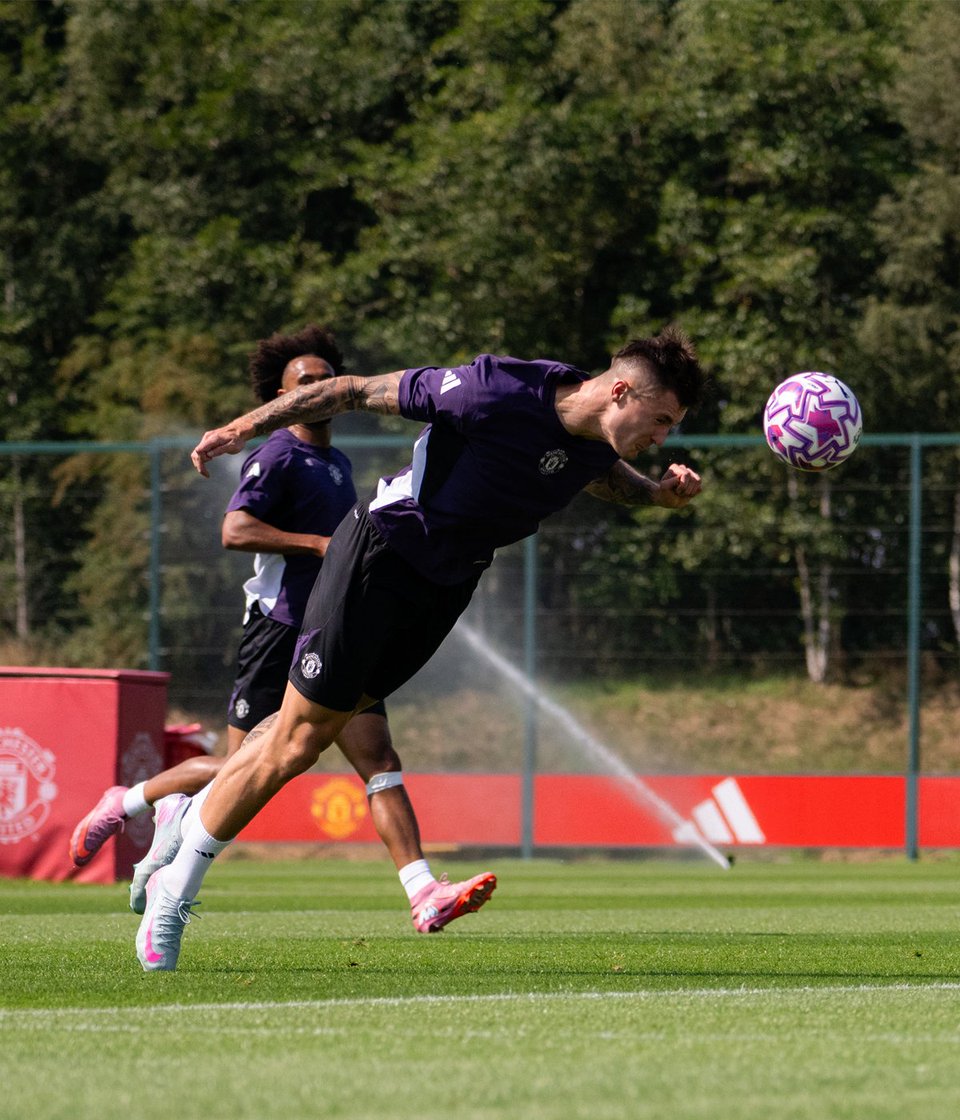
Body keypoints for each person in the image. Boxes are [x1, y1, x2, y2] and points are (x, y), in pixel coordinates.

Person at [136, 326, 705, 971]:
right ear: (621, 390)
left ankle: (183, 818)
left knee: (304, 728)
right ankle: (174, 891)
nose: (663, 438)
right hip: (379, 555)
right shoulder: (497, 389)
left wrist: (658, 494)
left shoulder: (593, 441)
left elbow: (599, 475)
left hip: (446, 587)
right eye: (660, 421)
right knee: (299, 744)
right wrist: (243, 428)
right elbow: (351, 389)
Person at [70, 325, 493, 932]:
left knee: (378, 758)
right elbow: (235, 530)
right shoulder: (276, 454)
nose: (319, 388)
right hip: (281, 627)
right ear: (282, 394)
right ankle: (133, 802)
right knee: (240, 765)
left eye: (326, 380)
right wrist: (320, 545)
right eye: (307, 382)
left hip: (340, 627)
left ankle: (423, 892)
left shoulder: (336, 462)